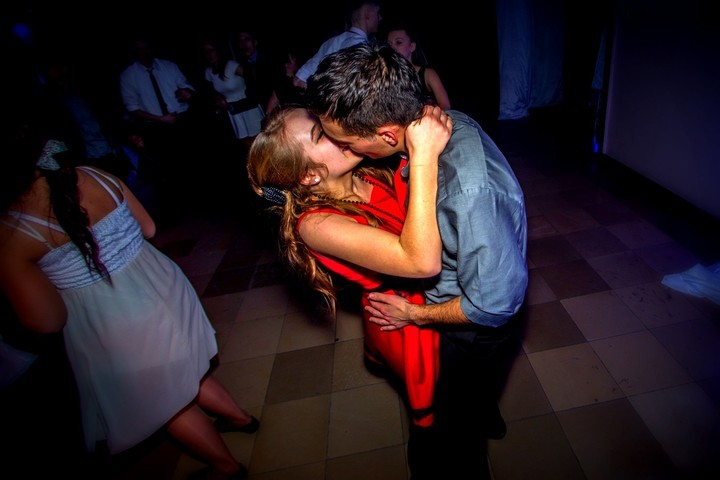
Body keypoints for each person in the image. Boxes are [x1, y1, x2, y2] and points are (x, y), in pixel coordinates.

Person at [305, 43, 528, 480]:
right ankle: (484, 412)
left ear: (387, 136)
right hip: (467, 295)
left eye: (346, 141)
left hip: (467, 324)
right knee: (476, 391)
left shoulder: (468, 193)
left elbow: (493, 305)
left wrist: (415, 315)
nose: (340, 148)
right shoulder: (438, 123)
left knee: (455, 435)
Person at [0, 112, 258, 480]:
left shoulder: (12, 229)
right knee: (182, 367)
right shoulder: (96, 175)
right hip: (163, 283)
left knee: (160, 397)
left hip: (113, 316)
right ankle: (241, 419)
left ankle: (226, 467)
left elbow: (47, 320)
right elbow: (148, 228)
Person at [247, 104, 452, 430]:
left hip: (432, 296)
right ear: (310, 175)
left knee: (464, 382)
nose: (336, 126)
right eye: (320, 134)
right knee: (440, 411)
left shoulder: (364, 171)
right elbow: (421, 262)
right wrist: (423, 155)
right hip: (403, 312)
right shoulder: (316, 225)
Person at [118, 34, 198, 223]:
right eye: (139, 49)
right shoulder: (129, 75)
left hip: (181, 120)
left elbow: (186, 85)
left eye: (145, 47)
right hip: (155, 127)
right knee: (167, 170)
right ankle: (177, 213)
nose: (143, 52)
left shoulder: (168, 66)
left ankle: (199, 204)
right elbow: (132, 107)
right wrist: (161, 119)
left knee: (190, 162)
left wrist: (186, 93)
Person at [292, 0, 382, 89]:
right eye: (377, 13)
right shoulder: (361, 47)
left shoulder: (332, 41)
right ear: (367, 13)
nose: (380, 18)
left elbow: (298, 80)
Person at [201, 37, 265, 151]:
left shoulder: (231, 65)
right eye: (206, 51)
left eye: (211, 50)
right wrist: (218, 99)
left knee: (259, 140)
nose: (209, 54)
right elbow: (213, 91)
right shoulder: (208, 72)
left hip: (246, 104)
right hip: (231, 109)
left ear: (218, 51)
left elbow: (254, 78)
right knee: (246, 144)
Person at [385, 24, 451, 110]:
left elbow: (445, 106)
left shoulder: (428, 74)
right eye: (389, 44)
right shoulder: (385, 75)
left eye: (398, 42)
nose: (392, 48)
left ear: (412, 46)